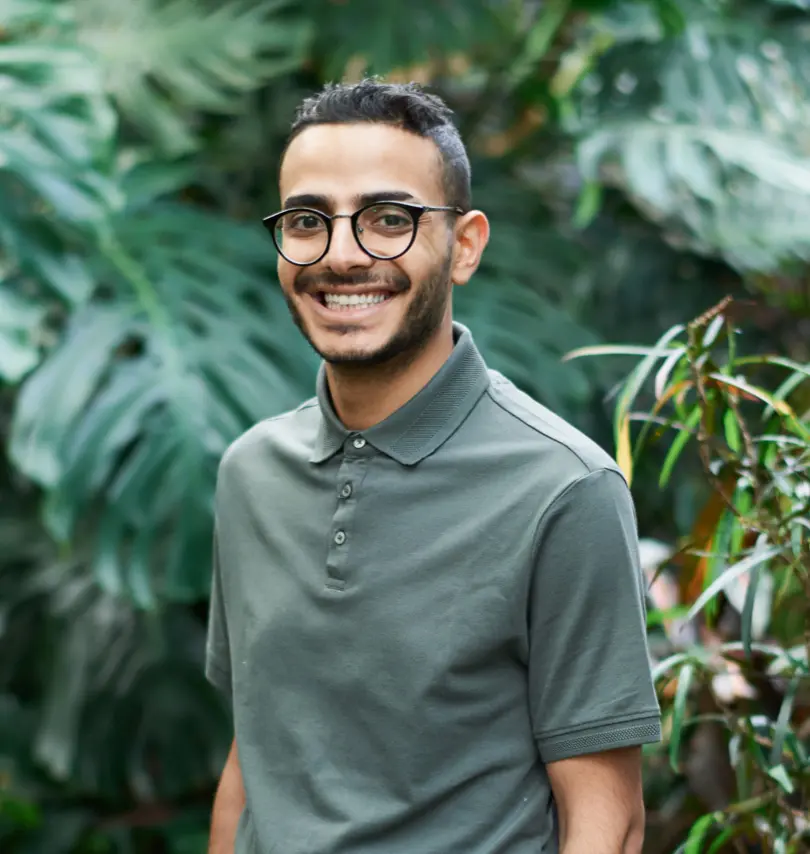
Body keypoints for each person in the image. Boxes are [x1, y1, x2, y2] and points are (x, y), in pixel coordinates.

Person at [205, 78, 661, 854]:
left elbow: (607, 819)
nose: (342, 255)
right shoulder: (251, 473)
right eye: (308, 221)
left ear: (465, 246)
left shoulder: (563, 487)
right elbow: (254, 763)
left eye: (389, 219)